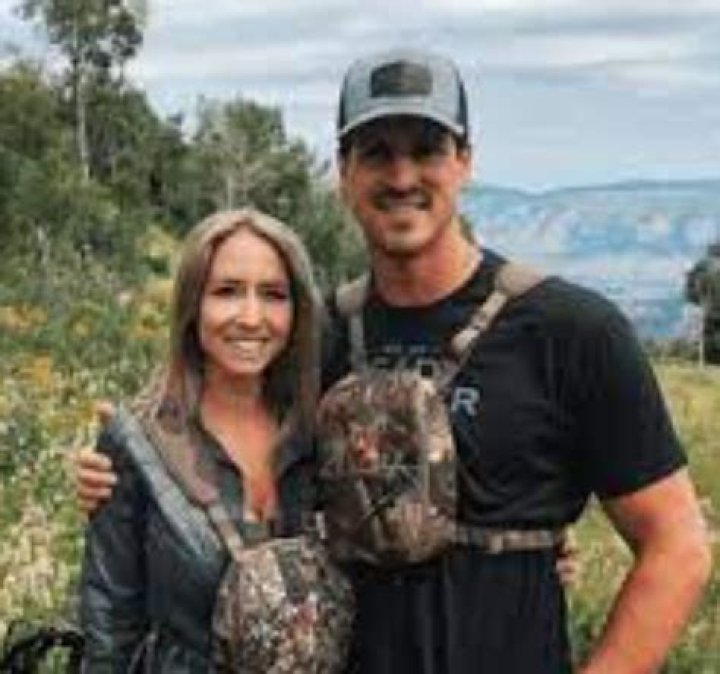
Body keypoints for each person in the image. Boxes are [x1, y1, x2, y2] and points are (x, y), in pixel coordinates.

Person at [77, 49, 712, 673]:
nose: (403, 176)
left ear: (464, 162)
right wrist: (121, 470)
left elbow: (677, 546)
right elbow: (226, 434)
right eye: (377, 152)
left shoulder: (571, 332)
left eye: (427, 149)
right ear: (344, 173)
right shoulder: (318, 339)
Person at [80, 208, 331, 671]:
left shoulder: (318, 434)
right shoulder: (138, 444)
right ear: (192, 305)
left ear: (297, 312)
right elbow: (109, 628)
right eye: (227, 291)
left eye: (273, 295)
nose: (251, 317)